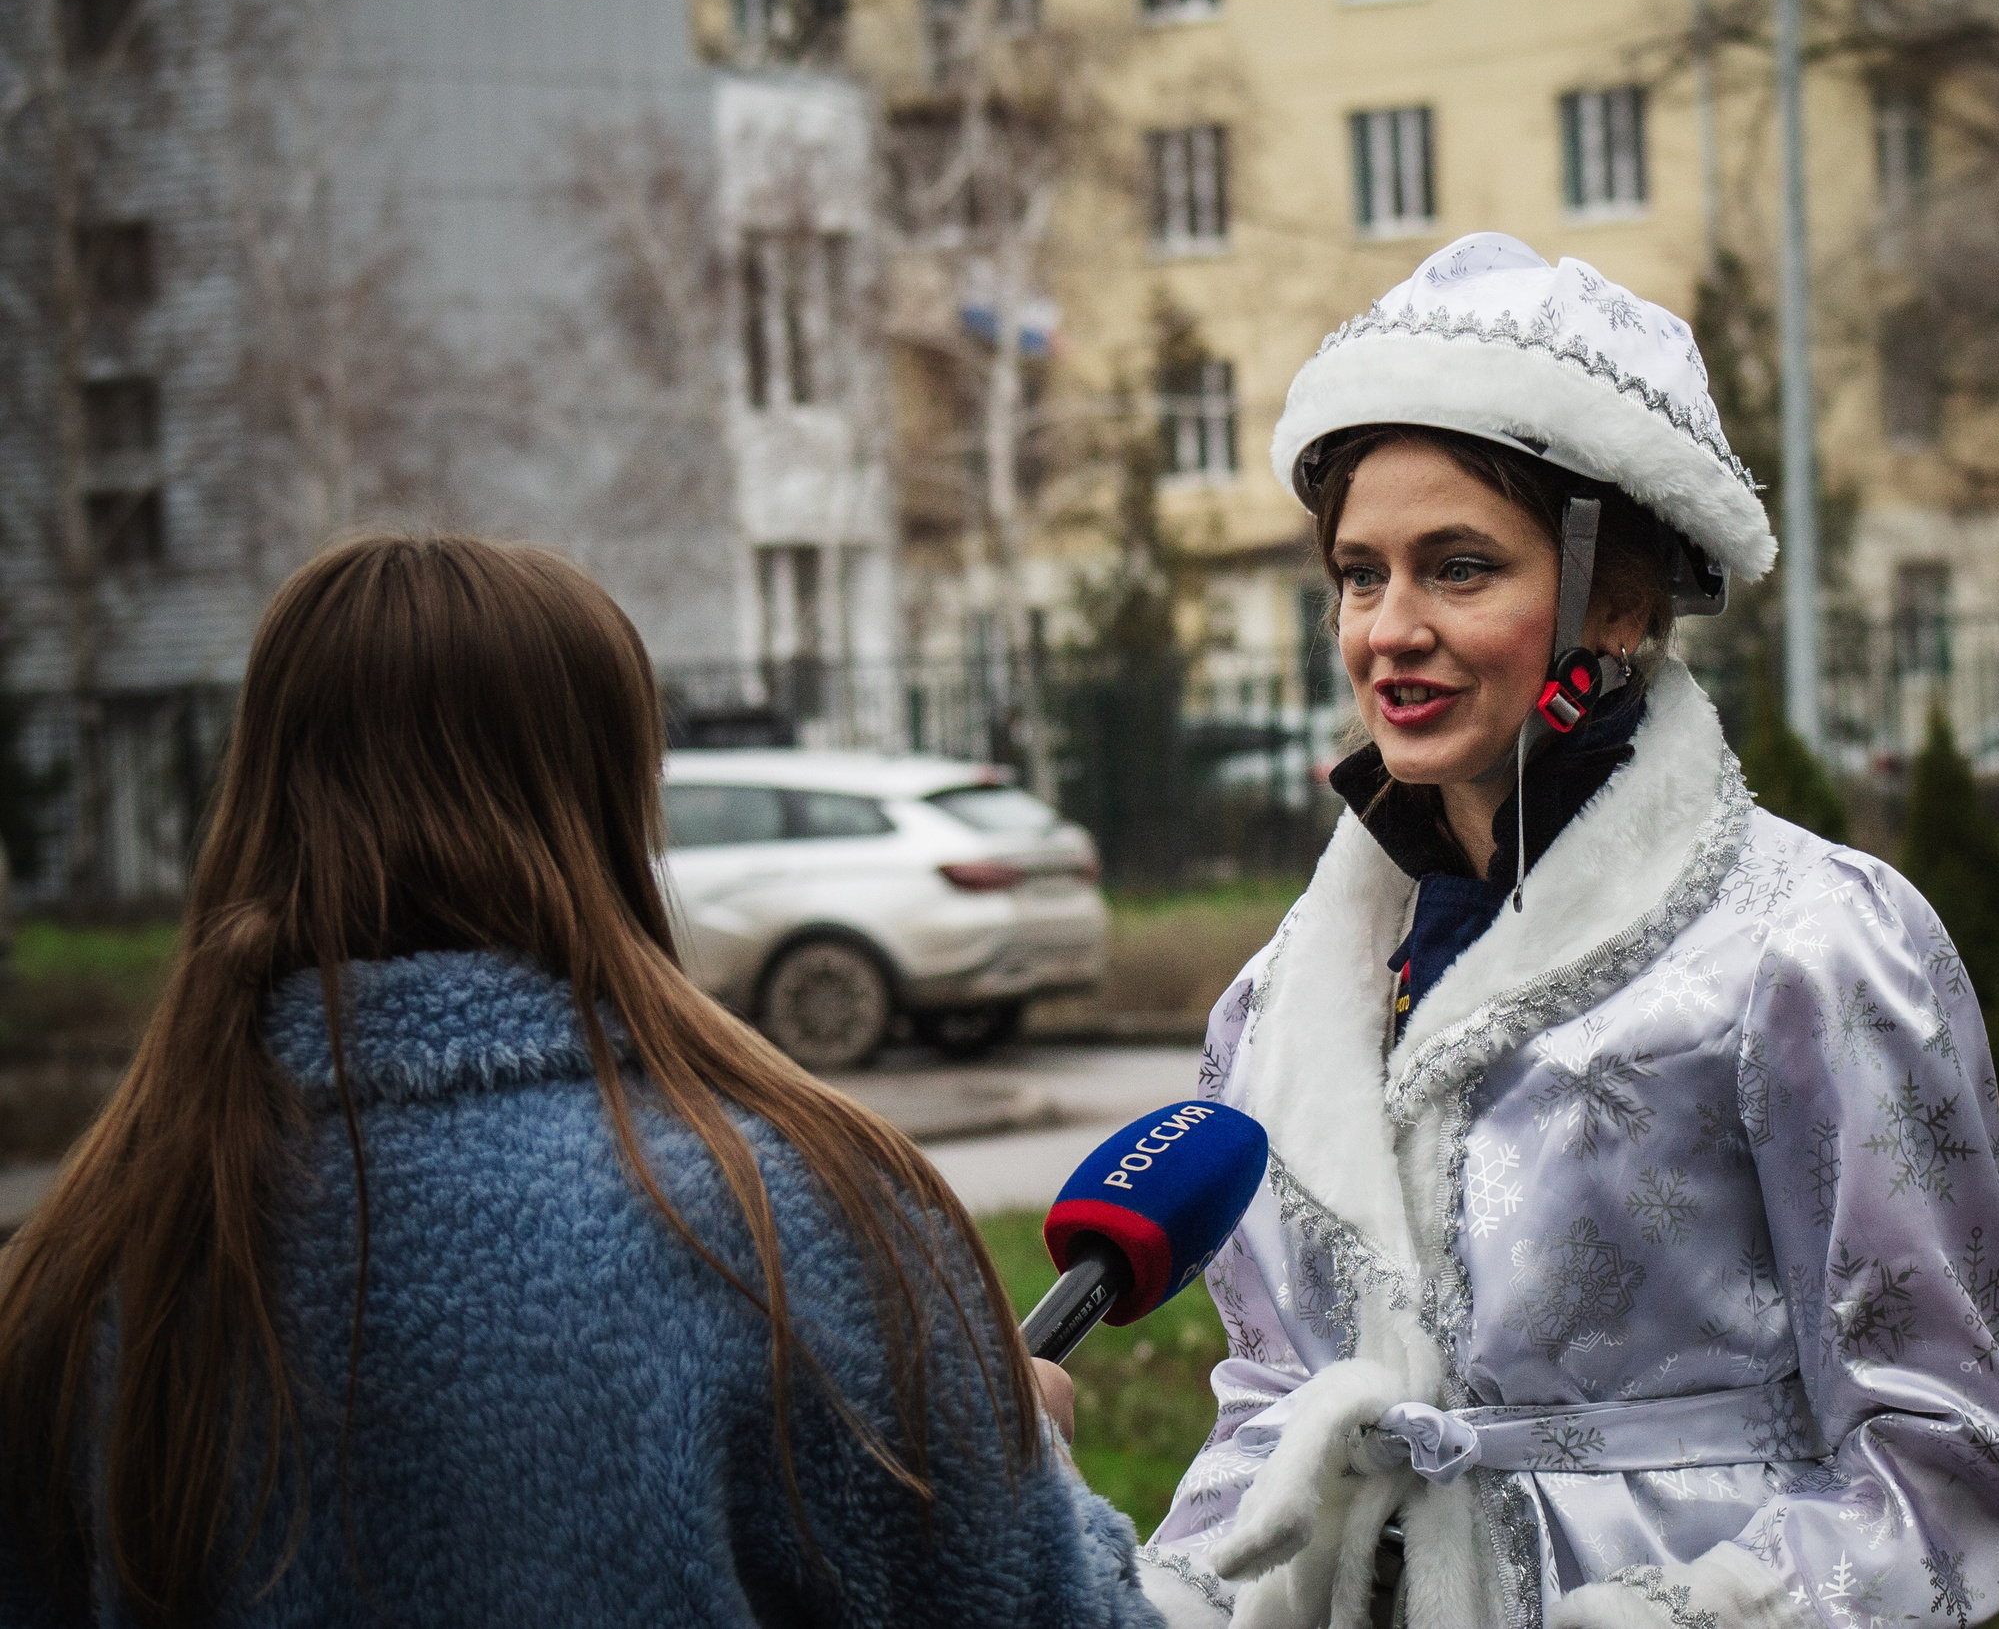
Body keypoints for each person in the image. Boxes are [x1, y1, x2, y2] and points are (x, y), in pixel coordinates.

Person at [1133, 235, 1999, 1629]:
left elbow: (1948, 1462)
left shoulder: (1809, 943)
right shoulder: (1274, 1007)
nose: (1390, 628)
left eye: (1457, 567)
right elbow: (1266, 1410)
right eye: (1360, 574)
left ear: (1617, 597)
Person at [0, 536, 1159, 1628]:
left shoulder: (83, 1264)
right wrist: (1037, 1468)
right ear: (607, 803)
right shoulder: (791, 1219)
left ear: (264, 793)